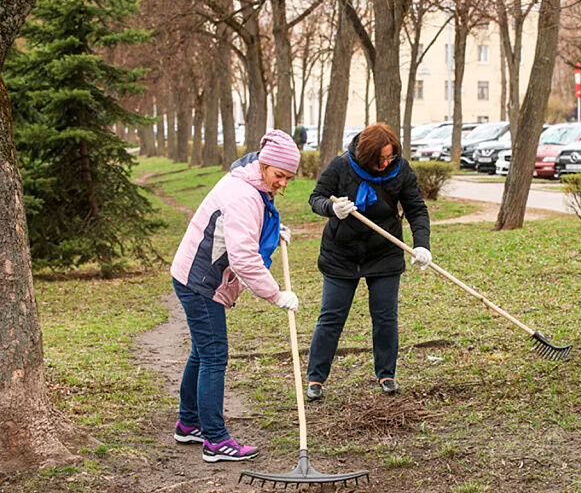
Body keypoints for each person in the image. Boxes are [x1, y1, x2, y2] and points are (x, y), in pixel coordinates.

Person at [170, 129, 301, 462]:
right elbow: (243, 258)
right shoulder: (242, 194)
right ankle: (215, 440)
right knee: (214, 355)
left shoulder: (250, 182)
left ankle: (188, 423)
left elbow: (247, 227)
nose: (283, 183)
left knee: (202, 352)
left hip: (193, 275)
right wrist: (276, 295)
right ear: (264, 165)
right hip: (201, 282)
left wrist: (271, 230)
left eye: (289, 177)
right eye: (279, 175)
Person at [305, 122, 432, 401]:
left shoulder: (400, 169)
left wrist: (422, 245)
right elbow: (315, 198)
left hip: (384, 252)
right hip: (341, 254)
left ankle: (386, 374)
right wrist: (332, 209)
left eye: (390, 157)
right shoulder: (341, 166)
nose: (385, 164)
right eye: (380, 159)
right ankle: (316, 378)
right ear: (365, 154)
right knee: (331, 317)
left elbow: (417, 210)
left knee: (385, 317)